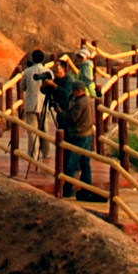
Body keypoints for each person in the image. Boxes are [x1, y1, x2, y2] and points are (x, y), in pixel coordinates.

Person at [50, 51, 98, 200]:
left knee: (70, 164)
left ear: (78, 91)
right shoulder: (90, 100)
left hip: (79, 135)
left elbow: (72, 118)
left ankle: (68, 189)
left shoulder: (79, 103)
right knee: (85, 164)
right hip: (88, 134)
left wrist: (61, 111)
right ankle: (86, 189)